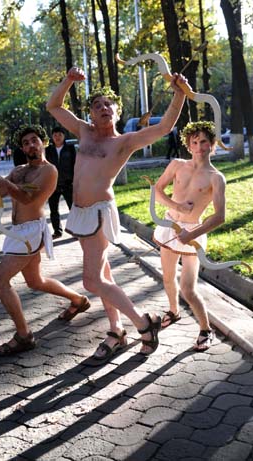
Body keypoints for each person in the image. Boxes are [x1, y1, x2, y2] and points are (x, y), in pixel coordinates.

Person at [46, 66, 187, 360]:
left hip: (99, 212)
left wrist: (179, 93)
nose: (102, 108)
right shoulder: (84, 131)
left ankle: (143, 323)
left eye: (108, 105)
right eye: (97, 105)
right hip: (80, 212)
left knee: (91, 280)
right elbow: (53, 106)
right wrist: (69, 80)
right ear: (91, 114)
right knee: (104, 272)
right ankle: (116, 329)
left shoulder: (124, 142)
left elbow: (163, 128)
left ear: (117, 112)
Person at [0, 125, 90, 356]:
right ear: (22, 148)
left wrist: (4, 183)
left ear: (43, 143)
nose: (31, 145)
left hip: (30, 234)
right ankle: (78, 300)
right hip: (19, 232)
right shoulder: (18, 170)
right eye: (26, 142)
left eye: (34, 140)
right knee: (35, 281)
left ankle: (24, 336)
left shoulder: (49, 171)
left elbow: (30, 200)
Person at [153, 121, 226, 351]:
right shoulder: (177, 164)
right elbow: (157, 190)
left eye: (204, 141)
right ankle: (173, 312)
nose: (199, 146)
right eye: (194, 142)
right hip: (169, 227)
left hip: (192, 235)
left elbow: (219, 216)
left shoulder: (216, 177)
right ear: (188, 144)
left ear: (212, 144)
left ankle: (206, 329)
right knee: (166, 278)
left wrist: (191, 233)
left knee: (188, 288)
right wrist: (176, 206)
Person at [45, 126, 76, 239]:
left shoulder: (70, 148)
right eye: (55, 135)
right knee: (53, 210)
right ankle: (57, 231)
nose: (57, 137)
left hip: (68, 183)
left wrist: (74, 180)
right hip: (53, 184)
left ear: (64, 136)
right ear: (52, 137)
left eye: (60, 135)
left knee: (73, 209)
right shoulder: (48, 150)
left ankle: (75, 230)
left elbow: (75, 164)